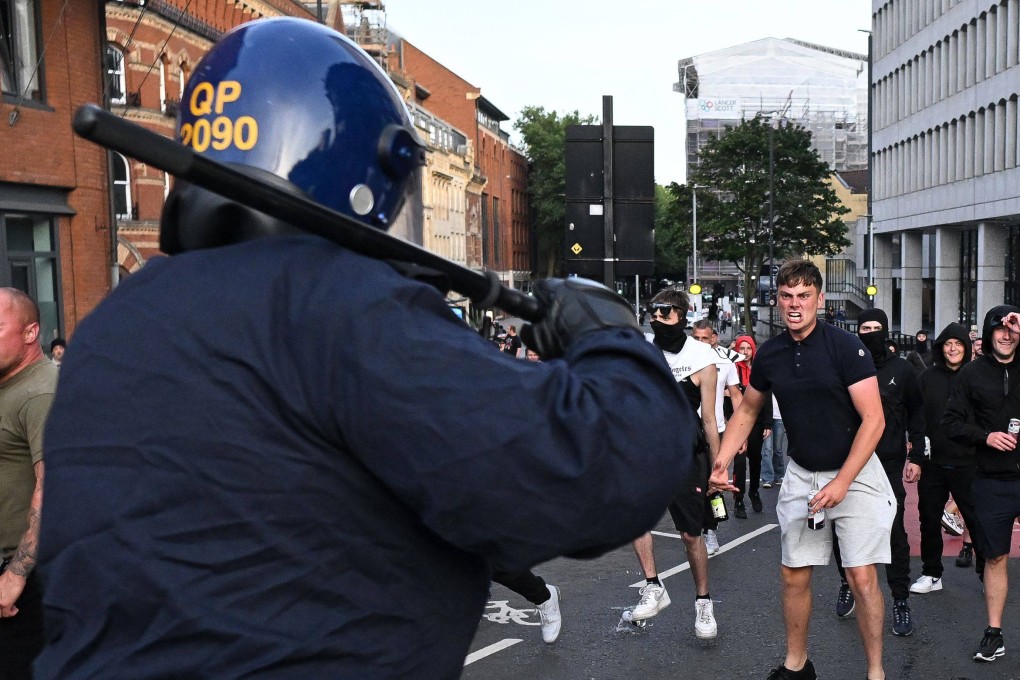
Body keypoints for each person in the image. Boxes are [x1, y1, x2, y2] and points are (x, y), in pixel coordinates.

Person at [34, 19, 700, 679]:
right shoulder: (336, 303)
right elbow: (587, 476)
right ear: (368, 167)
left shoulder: (114, 325)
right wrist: (610, 339)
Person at [711, 259, 893, 680]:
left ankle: (876, 672)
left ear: (819, 299)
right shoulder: (771, 353)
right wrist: (721, 463)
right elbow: (747, 413)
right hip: (802, 474)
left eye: (804, 296)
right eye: (787, 296)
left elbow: (875, 421)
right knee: (793, 574)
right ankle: (797, 665)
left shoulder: (846, 347)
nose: (795, 305)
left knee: (862, 576)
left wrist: (843, 482)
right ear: (778, 300)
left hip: (856, 473)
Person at [627, 289, 727, 640]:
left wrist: (719, 468)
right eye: (653, 313)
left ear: (682, 315)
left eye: (665, 313)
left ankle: (703, 601)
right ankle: (653, 585)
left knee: (690, 534)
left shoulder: (702, 357)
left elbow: (711, 421)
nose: (657, 319)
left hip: (687, 455)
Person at [830, 309, 925, 638]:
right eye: (864, 328)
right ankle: (846, 582)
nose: (870, 333)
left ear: (885, 330)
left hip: (889, 462)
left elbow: (917, 413)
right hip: (849, 461)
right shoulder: (846, 365)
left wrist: (917, 456)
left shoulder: (902, 368)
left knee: (895, 532)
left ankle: (900, 599)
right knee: (841, 528)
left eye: (876, 328)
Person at [943, 305, 1020, 664]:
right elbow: (951, 423)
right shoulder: (972, 374)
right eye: (1000, 329)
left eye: (1013, 328)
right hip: (991, 479)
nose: (1006, 335)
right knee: (995, 556)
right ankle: (994, 633)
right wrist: (985, 437)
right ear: (989, 335)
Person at [0, 288, 57, 680]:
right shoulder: (9, 385)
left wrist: (16, 574)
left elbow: (52, 485)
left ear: (30, 332)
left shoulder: (41, 391)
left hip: (30, 578)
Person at [911, 322, 982, 595]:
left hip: (970, 461)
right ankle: (931, 573)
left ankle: (986, 572)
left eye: (959, 344)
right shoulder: (927, 378)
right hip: (934, 462)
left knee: (977, 521)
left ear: (967, 348)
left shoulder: (976, 376)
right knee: (928, 519)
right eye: (948, 344)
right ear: (941, 348)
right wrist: (916, 455)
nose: (953, 349)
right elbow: (918, 418)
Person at [691, 319, 744, 553]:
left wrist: (740, 433)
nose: (701, 342)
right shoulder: (685, 361)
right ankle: (696, 527)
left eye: (705, 338)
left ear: (714, 338)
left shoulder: (725, 362)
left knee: (715, 481)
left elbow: (735, 396)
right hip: (691, 430)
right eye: (697, 338)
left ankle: (711, 530)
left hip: (718, 430)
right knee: (694, 482)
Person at [731, 334, 770, 518]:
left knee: (755, 460)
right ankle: (738, 500)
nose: (745, 353)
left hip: (757, 423)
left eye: (748, 349)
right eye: (742, 349)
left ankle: (754, 491)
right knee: (739, 462)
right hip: (737, 423)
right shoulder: (732, 369)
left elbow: (766, 396)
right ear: (737, 349)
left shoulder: (758, 369)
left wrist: (768, 423)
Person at [761, 393, 787, 488]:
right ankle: (767, 478)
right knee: (766, 449)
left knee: (778, 449)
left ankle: (778, 476)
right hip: (766, 418)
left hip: (780, 417)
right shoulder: (767, 383)